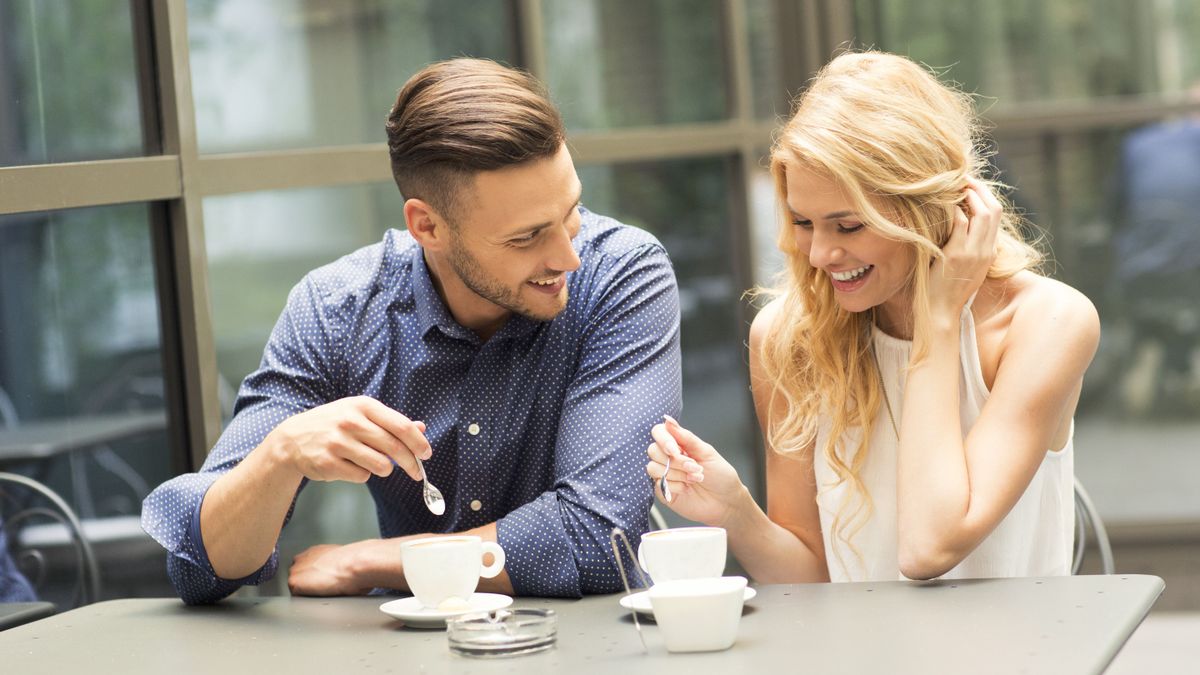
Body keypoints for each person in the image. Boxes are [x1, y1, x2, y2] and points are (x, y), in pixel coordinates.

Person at [142, 58, 681, 604]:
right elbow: (201, 568)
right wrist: (280, 455)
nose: (568, 257)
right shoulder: (337, 310)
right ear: (427, 226)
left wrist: (375, 560)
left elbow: (598, 538)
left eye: (570, 213)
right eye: (526, 237)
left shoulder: (623, 276)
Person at [647, 51, 1099, 582]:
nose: (818, 254)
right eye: (803, 222)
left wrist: (939, 319)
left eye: (848, 226)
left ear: (932, 208)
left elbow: (929, 548)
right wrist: (737, 515)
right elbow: (813, 583)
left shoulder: (1047, 323)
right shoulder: (788, 338)